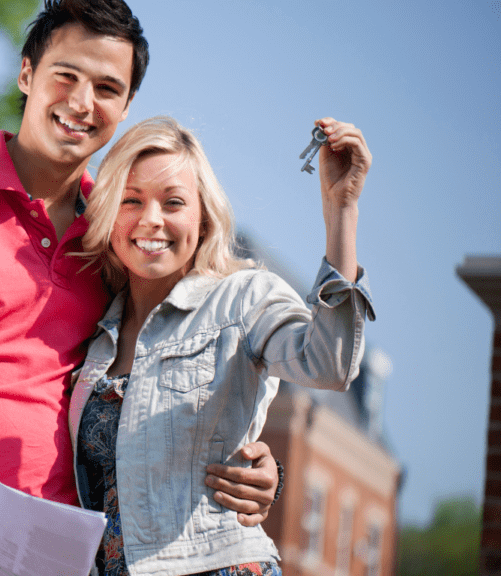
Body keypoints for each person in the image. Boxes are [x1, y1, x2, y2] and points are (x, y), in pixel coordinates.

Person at [0, 2, 279, 574]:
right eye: (64, 75)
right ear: (26, 75)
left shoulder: (120, 236)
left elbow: (192, 370)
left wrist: (257, 464)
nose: (82, 102)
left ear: (125, 106)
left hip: (62, 555)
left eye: (107, 87)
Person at [69, 115, 374, 576]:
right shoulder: (95, 338)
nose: (152, 219)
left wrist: (341, 211)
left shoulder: (244, 298)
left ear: (203, 217)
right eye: (131, 200)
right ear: (109, 214)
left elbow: (329, 364)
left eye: (173, 202)